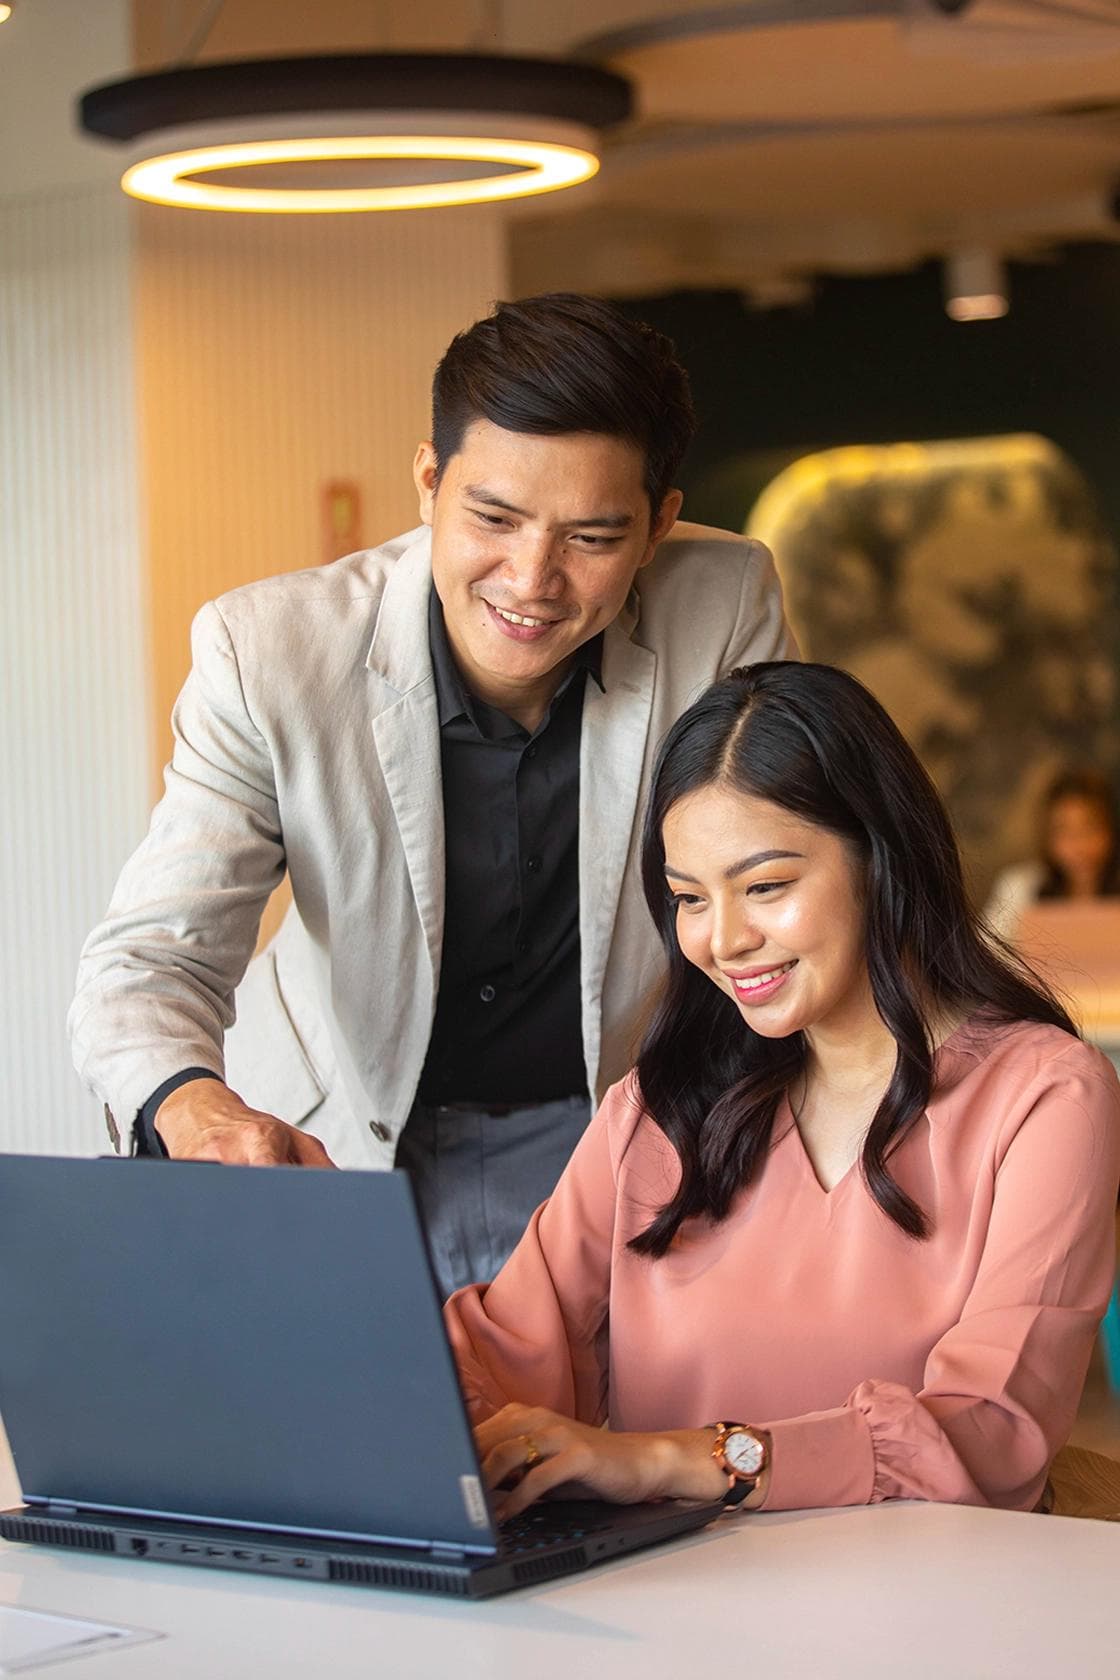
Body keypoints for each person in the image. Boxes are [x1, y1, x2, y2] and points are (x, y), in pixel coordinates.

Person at [69, 293, 795, 1296]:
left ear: (658, 525)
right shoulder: (269, 653)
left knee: (596, 1449)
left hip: (615, 1133)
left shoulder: (723, 602)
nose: (531, 580)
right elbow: (149, 965)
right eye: (492, 518)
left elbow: (783, 889)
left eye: (590, 537)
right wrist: (200, 1111)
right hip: (342, 1142)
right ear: (427, 483)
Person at [446, 662, 1120, 1516]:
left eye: (766, 886)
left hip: (918, 1631)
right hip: (661, 1629)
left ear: (882, 857)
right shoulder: (662, 1107)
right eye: (690, 898)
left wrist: (677, 1462)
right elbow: (492, 1358)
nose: (724, 940)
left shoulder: (1045, 1098)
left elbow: (990, 1437)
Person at [984, 768, 1120, 942]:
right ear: (1047, 836)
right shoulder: (1019, 888)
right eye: (1064, 831)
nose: (1078, 845)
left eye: (1090, 828)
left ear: (1110, 831)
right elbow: (989, 951)